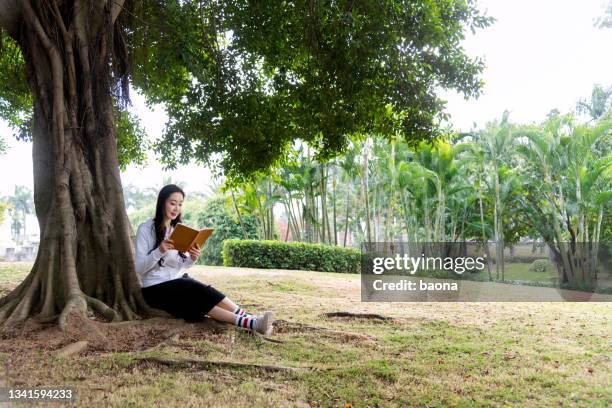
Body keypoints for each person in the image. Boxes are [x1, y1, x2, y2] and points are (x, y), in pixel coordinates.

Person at [135, 184, 273, 335]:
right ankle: (252, 321)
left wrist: (192, 258)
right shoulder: (146, 229)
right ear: (162, 202)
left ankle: (251, 320)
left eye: (180, 204)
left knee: (201, 296)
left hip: (177, 282)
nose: (176, 208)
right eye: (172, 203)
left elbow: (180, 265)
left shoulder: (178, 230)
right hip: (154, 289)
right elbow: (139, 269)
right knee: (193, 288)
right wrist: (159, 251)